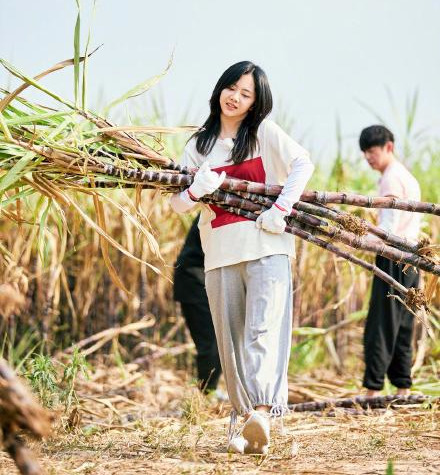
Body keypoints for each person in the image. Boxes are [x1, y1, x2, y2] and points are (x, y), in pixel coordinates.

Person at [170, 61, 314, 454]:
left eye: (245, 93)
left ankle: (263, 413)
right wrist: (197, 190)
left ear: (255, 103)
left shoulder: (263, 134)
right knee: (230, 341)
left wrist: (281, 208)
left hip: (268, 248)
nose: (235, 97)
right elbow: (177, 205)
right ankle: (247, 422)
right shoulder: (198, 145)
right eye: (231, 87)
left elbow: (302, 163)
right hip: (219, 254)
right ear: (220, 88)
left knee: (262, 331)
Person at [359, 125, 421, 397]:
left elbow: (389, 227)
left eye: (372, 151)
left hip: (393, 257)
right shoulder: (406, 176)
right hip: (412, 259)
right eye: (365, 153)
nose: (368, 158)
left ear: (389, 147)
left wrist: (362, 238)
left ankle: (372, 391)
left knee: (381, 324)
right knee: (403, 324)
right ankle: (402, 387)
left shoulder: (391, 179)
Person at [173, 215, 222, 395]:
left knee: (220, 341)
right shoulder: (212, 212)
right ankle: (207, 393)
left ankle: (211, 390)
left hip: (201, 280)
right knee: (209, 341)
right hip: (194, 281)